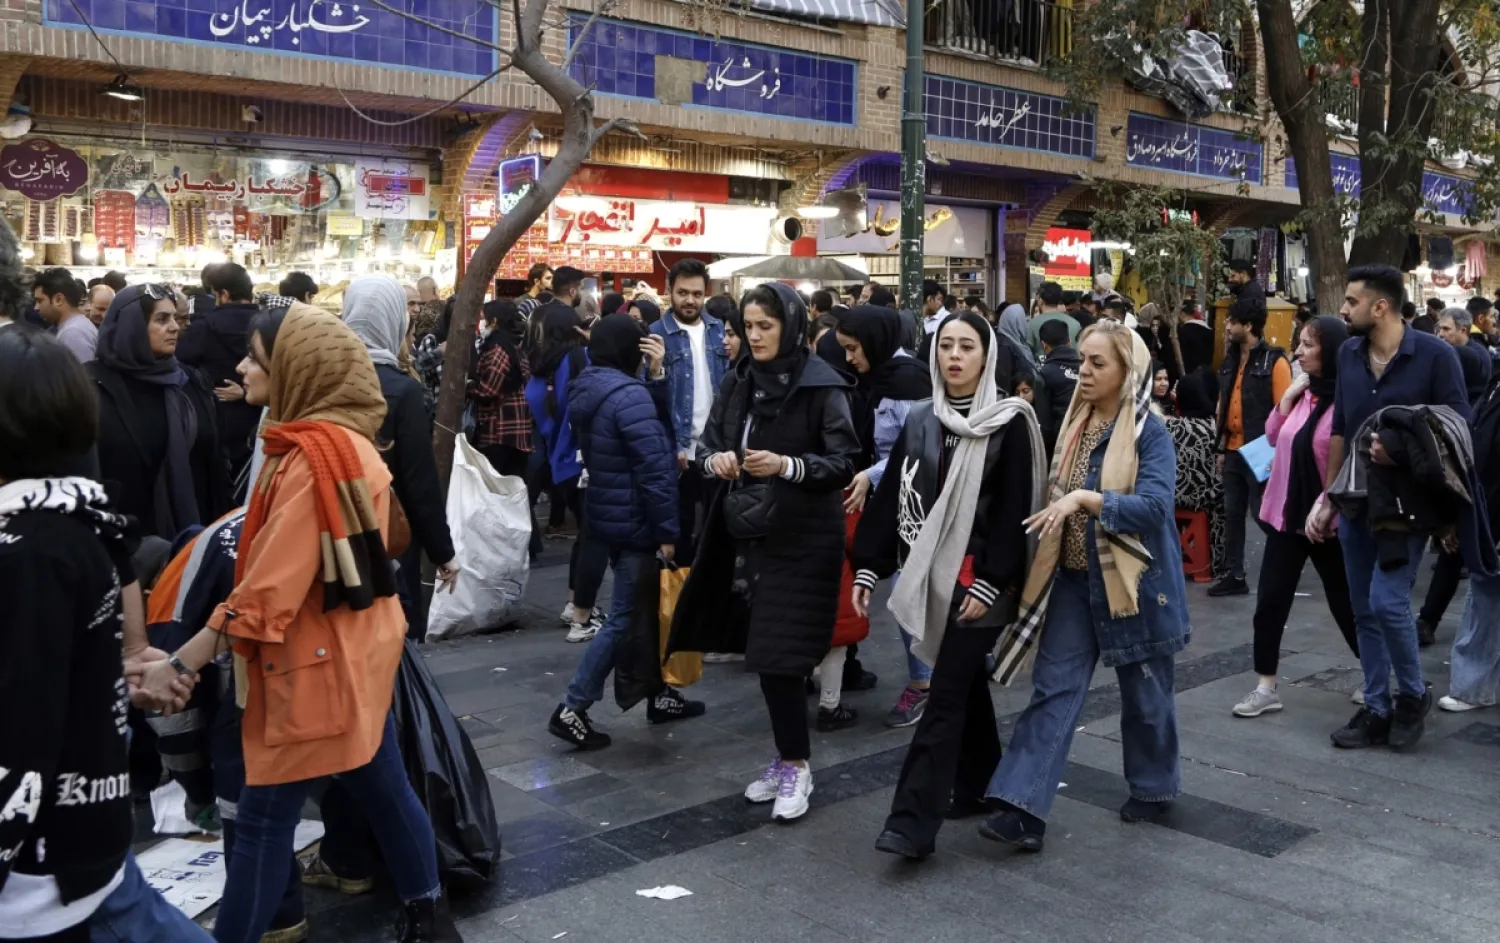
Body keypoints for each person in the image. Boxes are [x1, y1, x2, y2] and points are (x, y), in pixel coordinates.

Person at [131, 303, 463, 943]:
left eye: (255, 357)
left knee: (260, 822)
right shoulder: (339, 442)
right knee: (382, 784)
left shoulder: (313, 458)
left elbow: (266, 593)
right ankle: (430, 916)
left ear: (296, 368)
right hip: (352, 654)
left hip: (308, 666)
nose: (241, 366)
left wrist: (181, 663)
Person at [0, 329, 214, 943]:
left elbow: (20, 729)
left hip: (40, 871)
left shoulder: (27, 551)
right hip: (80, 828)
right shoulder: (80, 519)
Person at [978, 321, 1187, 852]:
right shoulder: (1074, 421)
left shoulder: (1149, 433)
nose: (1084, 373)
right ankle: (1021, 807)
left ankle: (1155, 787)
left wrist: (1088, 501)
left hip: (1133, 583)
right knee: (1054, 690)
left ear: (1127, 372)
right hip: (1071, 580)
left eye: (1098, 364)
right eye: (1084, 362)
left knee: (1146, 695)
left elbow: (1156, 508)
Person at [852, 312, 1043, 860]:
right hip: (932, 576)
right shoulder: (922, 419)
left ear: (987, 357)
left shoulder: (1011, 421)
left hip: (983, 584)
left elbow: (1014, 510)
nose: (954, 357)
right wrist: (868, 564)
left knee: (945, 694)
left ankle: (911, 823)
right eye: (945, 346)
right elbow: (894, 496)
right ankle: (982, 781)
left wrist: (992, 578)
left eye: (967, 347)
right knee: (964, 688)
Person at [668, 283, 859, 823]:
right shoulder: (739, 383)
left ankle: (796, 764)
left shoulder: (823, 386)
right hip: (747, 534)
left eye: (764, 327)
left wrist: (788, 466)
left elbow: (844, 460)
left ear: (791, 326)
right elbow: (704, 449)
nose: (753, 337)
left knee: (781, 653)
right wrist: (717, 463)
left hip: (805, 537)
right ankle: (786, 757)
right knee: (770, 656)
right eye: (747, 327)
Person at [1308, 264, 1472, 750]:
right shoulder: (1352, 354)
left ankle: (1413, 694)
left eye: (1352, 301)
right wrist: (1328, 496)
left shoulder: (1436, 356)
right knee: (1363, 608)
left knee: (1387, 601)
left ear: (1380, 306)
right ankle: (1377, 705)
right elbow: (1340, 425)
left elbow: (1458, 427)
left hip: (1409, 505)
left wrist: (1401, 451)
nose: (1343, 310)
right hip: (1356, 499)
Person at [548, 315, 705, 747]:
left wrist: (653, 379)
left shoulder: (593, 387)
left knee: (642, 612)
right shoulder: (628, 396)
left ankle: (658, 694)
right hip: (638, 521)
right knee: (622, 620)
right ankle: (572, 707)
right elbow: (655, 468)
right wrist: (668, 531)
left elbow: (636, 432)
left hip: (608, 515)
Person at [1231, 316, 1361, 718]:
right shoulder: (1303, 393)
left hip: (1328, 523)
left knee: (1347, 603)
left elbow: (1349, 464)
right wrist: (1287, 399)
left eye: (1307, 345)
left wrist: (1328, 504)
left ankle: (1376, 673)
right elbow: (1273, 436)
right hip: (1287, 517)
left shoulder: (1350, 400)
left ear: (1332, 351)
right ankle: (1265, 686)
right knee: (1270, 600)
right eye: (1299, 344)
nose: (1299, 352)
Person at [342, 275, 459, 636]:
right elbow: (417, 481)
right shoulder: (400, 389)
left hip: (329, 534)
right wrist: (443, 552)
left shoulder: (322, 378)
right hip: (386, 534)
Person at [832, 305, 931, 728]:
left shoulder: (906, 382)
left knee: (908, 591)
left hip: (915, 503)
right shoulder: (887, 374)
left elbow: (915, 451)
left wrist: (870, 475)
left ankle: (924, 685)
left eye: (853, 349)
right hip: (893, 497)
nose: (850, 358)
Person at [90, 285, 232, 540]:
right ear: (131, 325)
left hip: (197, 535)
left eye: (175, 318)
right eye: (161, 319)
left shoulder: (190, 380)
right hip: (129, 543)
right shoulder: (91, 386)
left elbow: (216, 458)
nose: (175, 327)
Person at [527, 303, 610, 642]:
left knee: (586, 534)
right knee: (595, 538)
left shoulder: (537, 370)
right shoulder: (578, 360)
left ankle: (575, 602)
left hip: (559, 463)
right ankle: (582, 617)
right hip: (584, 462)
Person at [1415, 306, 1493, 648]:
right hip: (1478, 489)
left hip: (1485, 492)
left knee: (1463, 557)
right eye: (1439, 329)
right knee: (1453, 554)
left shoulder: (1475, 366)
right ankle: (1428, 620)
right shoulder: (1486, 392)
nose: (1441, 335)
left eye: (1447, 329)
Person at [1210, 290, 1290, 597]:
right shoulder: (1229, 361)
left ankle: (1285, 561)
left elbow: (1283, 412)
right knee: (1232, 513)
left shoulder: (1275, 361)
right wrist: (1220, 447)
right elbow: (1223, 403)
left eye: (1233, 321)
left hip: (1261, 450)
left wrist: (1277, 455)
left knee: (1262, 512)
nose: (1228, 327)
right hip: (1231, 449)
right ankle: (1235, 574)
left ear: (1249, 325)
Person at [649, 259, 730, 564]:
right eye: (683, 292)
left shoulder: (718, 330)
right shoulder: (656, 332)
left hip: (716, 447)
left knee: (715, 528)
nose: (690, 300)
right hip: (679, 450)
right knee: (679, 531)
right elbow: (650, 397)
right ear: (670, 290)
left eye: (697, 293)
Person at [178, 261, 262, 477]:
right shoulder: (267, 326)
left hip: (215, 420)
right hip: (260, 421)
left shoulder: (203, 328)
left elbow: (180, 369)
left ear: (223, 294)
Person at [471, 299, 533, 478]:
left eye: (485, 318)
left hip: (499, 429)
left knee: (496, 486)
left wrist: (469, 388)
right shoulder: (515, 344)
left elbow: (488, 391)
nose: (482, 323)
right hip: (518, 429)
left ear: (495, 321)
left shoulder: (497, 347)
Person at [34, 266, 97, 363]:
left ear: (59, 300)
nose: (36, 308)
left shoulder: (73, 333)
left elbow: (81, 376)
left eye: (40, 301)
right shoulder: (75, 327)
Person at [1036, 318, 1078, 458]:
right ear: (1069, 342)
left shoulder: (1045, 374)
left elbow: (1045, 422)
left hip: (1060, 442)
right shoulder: (1086, 368)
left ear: (1044, 345)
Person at [1026, 281, 1079, 360]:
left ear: (1040, 300)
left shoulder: (1031, 325)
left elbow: (1027, 355)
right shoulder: (1075, 324)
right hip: (1070, 370)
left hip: (1041, 370)